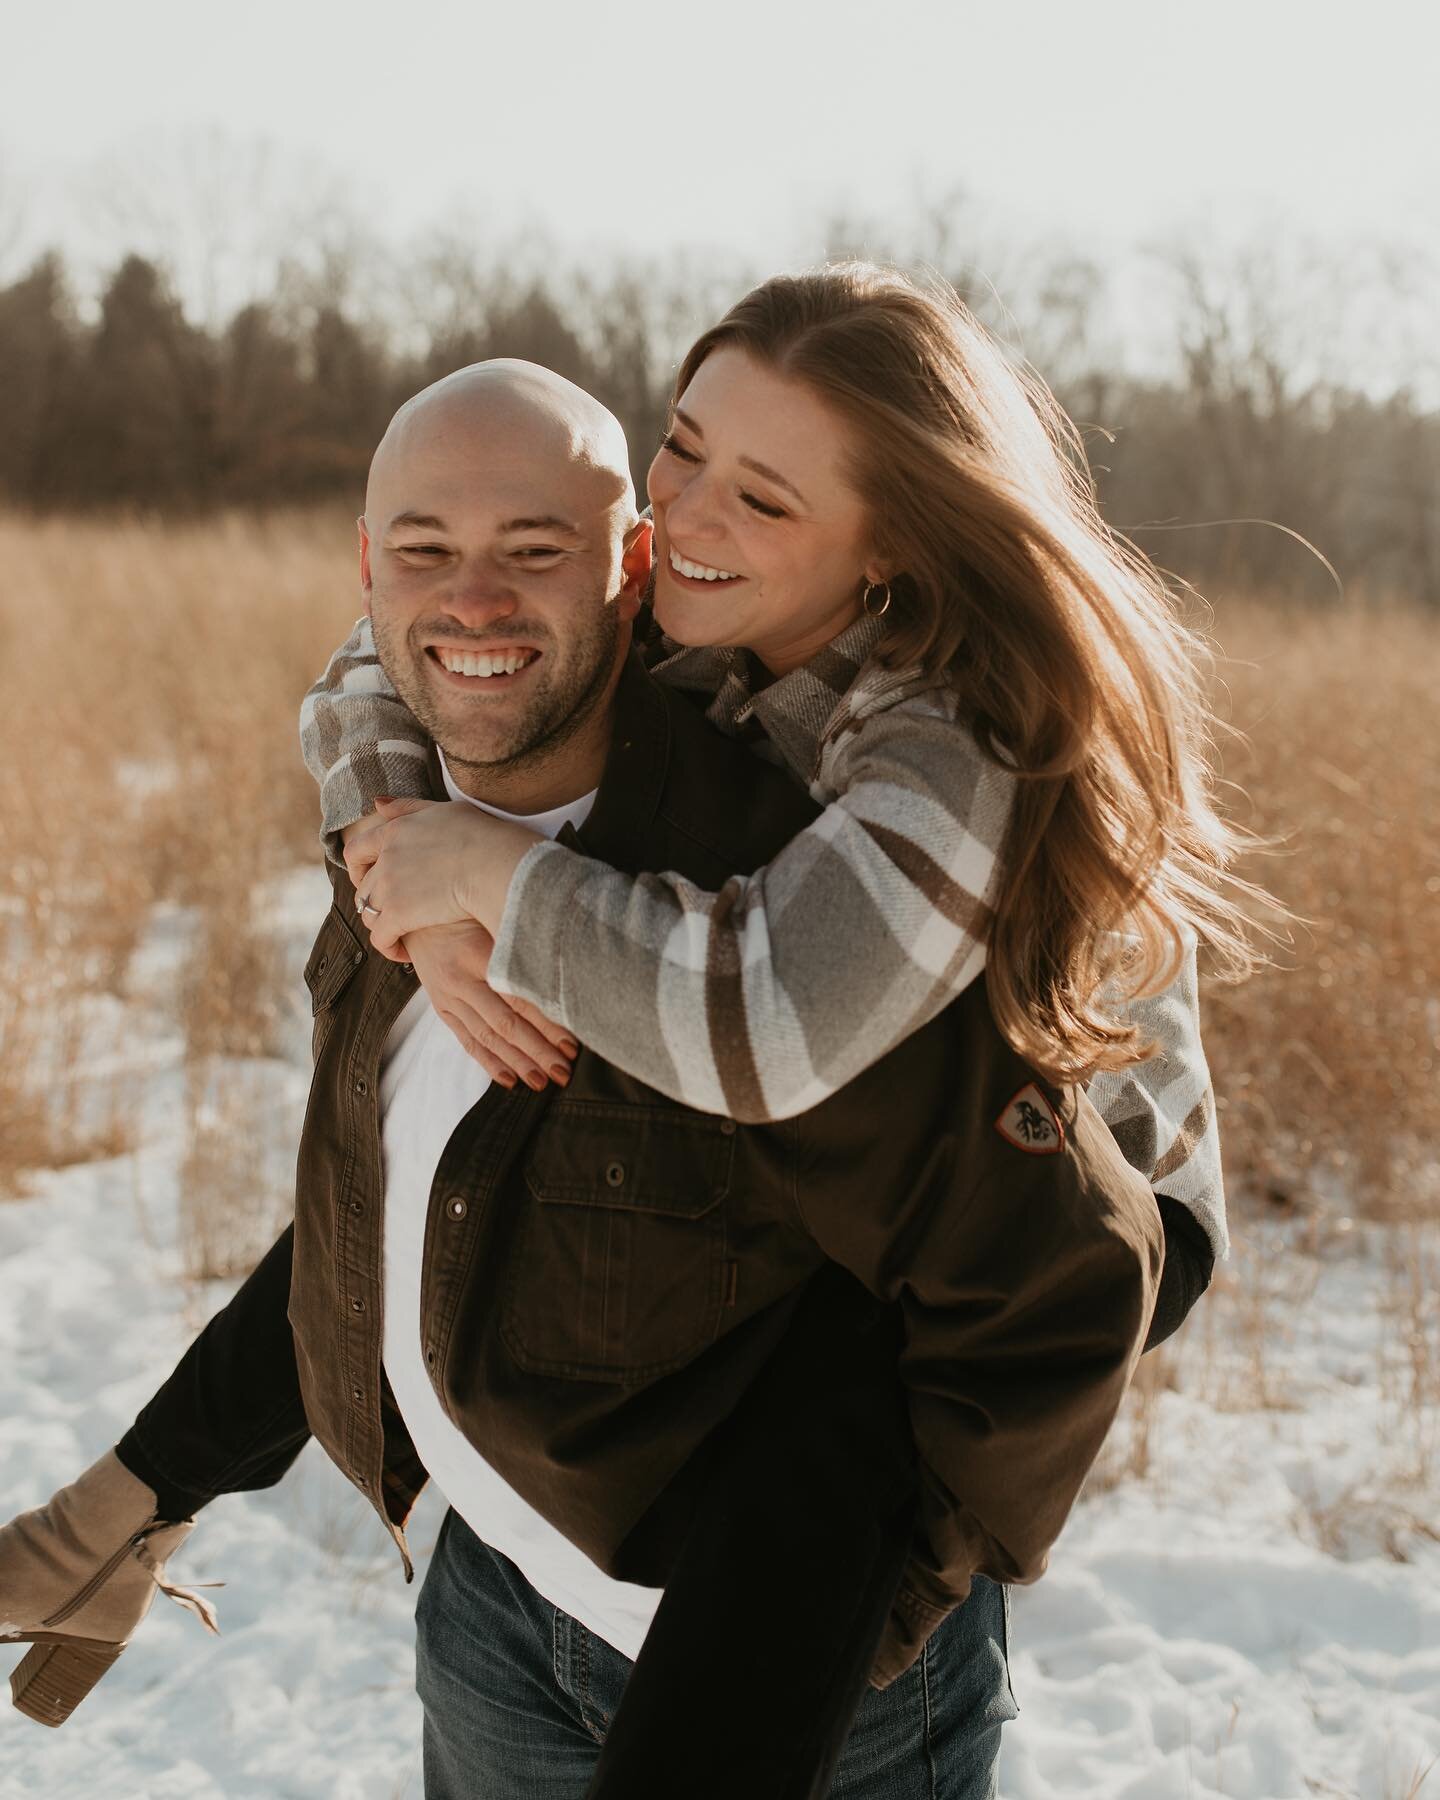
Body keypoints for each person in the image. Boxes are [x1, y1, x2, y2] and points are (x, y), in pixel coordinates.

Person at [0, 271, 1228, 1793]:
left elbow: (970, 1216)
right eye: (684, 446)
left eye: (763, 499)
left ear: (887, 546)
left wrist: (501, 887)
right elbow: (416, 1188)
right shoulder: (570, 714)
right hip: (500, 1617)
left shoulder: (924, 763)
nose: (700, 515)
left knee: (842, 1359)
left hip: (1039, 1281)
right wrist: (414, 862)